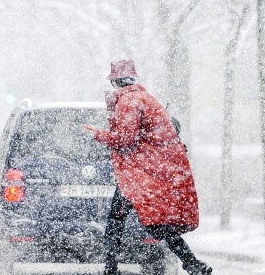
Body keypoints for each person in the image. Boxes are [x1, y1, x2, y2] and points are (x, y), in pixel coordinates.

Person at [82, 59, 212, 275]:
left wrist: (98, 134)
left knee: (117, 221)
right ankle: (192, 263)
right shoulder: (145, 98)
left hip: (137, 174)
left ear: (116, 81)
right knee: (154, 223)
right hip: (148, 171)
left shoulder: (128, 102)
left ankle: (111, 269)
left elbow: (125, 139)